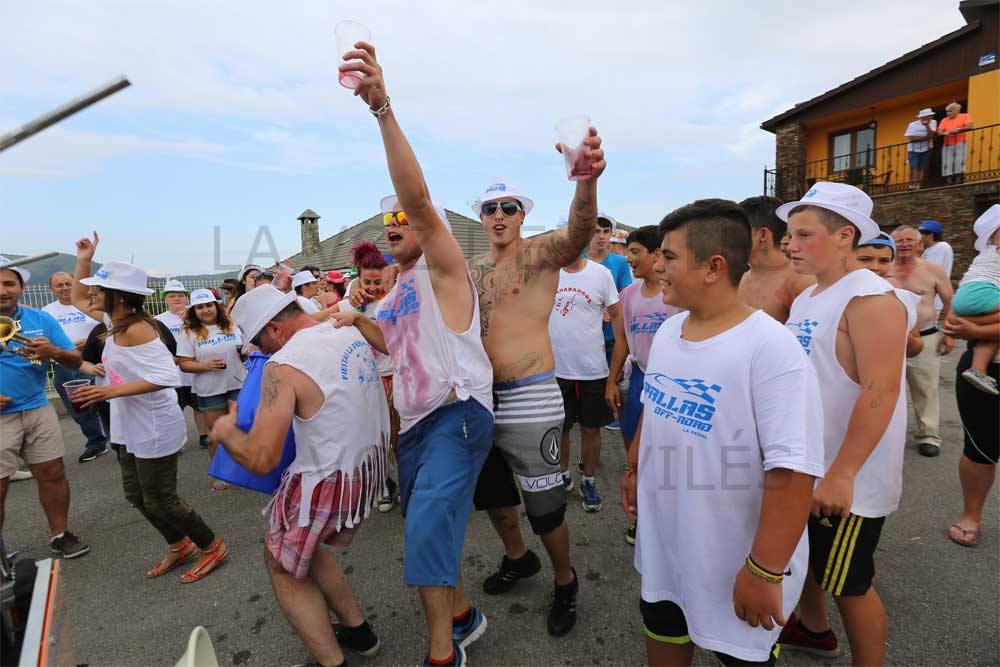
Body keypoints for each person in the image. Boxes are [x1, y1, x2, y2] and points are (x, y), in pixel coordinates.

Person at [333, 41, 494, 666]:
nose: (397, 221)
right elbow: (392, 344)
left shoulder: (442, 268)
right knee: (426, 523)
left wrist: (382, 109)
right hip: (418, 421)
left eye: (404, 217)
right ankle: (462, 613)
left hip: (459, 412)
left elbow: (422, 202)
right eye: (388, 220)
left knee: (427, 524)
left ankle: (441, 652)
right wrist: (353, 319)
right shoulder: (392, 293)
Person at [620, 199, 825, 667]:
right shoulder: (671, 333)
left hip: (737, 563)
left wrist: (764, 570)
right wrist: (633, 467)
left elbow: (794, 473)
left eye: (669, 257)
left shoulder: (771, 350)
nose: (657, 266)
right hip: (668, 549)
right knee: (665, 639)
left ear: (713, 267)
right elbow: (654, 407)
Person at [466, 127, 605, 635]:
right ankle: (518, 558)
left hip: (531, 397)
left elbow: (579, 231)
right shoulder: (471, 268)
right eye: (490, 208)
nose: (498, 215)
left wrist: (585, 182)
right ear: (481, 217)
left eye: (508, 207)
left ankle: (565, 581)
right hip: (482, 400)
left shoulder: (542, 254)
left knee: (545, 508)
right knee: (497, 499)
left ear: (522, 214)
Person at [211, 285, 389, 667]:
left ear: (275, 329)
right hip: (365, 468)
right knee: (305, 549)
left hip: (325, 480)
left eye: (260, 340)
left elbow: (261, 457)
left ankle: (331, 662)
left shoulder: (284, 365)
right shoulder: (345, 329)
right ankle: (359, 633)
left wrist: (226, 433)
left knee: (281, 565)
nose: (261, 350)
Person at [776, 182, 908, 666]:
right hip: (810, 461)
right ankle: (813, 629)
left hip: (849, 476)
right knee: (811, 559)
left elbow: (882, 391)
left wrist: (842, 472)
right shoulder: (811, 295)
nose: (789, 244)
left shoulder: (872, 297)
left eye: (803, 234)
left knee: (850, 582)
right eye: (789, 234)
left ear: (843, 235)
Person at [70, 238, 227, 581]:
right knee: (136, 494)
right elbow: (78, 297)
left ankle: (211, 544)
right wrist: (84, 259)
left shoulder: (139, 329)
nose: (93, 294)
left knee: (160, 498)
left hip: (154, 424)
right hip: (130, 421)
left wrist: (110, 391)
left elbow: (168, 375)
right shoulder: (115, 319)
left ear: (120, 296)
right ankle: (178, 545)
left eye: (100, 289)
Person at [0, 260, 90, 558]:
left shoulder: (41, 318)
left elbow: (75, 360)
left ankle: (60, 534)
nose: (2, 291)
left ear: (21, 288)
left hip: (38, 407)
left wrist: (53, 352)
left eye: (9, 284)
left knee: (52, 472)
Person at [607, 225, 683, 543]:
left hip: (674, 383)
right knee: (634, 451)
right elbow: (622, 340)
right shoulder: (627, 295)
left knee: (669, 453)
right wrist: (612, 381)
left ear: (656, 254)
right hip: (639, 378)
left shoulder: (676, 294)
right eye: (628, 251)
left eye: (635, 251)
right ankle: (640, 514)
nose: (628, 258)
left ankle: (670, 515)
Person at [549, 254, 624, 512]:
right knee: (561, 428)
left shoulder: (600, 273)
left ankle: (589, 480)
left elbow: (617, 317)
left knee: (592, 430)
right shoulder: (549, 271)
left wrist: (618, 367)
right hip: (556, 369)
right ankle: (562, 476)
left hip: (592, 370)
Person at [942, 228, 1000, 546]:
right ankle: (971, 516)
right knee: (979, 448)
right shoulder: (985, 265)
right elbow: (954, 318)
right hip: (988, 369)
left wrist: (976, 328)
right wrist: (970, 327)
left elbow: (966, 324)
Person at [341, 240, 398, 512]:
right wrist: (353, 293)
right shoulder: (353, 303)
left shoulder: (396, 299)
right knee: (375, 440)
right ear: (358, 279)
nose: (373, 288)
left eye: (378, 282)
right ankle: (385, 486)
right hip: (366, 383)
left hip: (395, 379)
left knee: (398, 438)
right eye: (367, 282)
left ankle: (409, 485)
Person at [889, 225, 955, 457]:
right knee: (885, 388)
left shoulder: (933, 270)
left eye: (909, 240)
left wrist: (948, 332)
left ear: (920, 245)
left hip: (926, 336)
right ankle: (885, 435)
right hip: (888, 339)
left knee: (926, 388)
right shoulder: (883, 270)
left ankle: (928, 434)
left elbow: (950, 302)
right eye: (899, 240)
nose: (904, 244)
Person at [176, 288, 244, 489]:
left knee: (240, 427)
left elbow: (244, 347)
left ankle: (242, 466)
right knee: (216, 434)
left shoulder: (231, 324)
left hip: (238, 383)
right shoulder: (188, 332)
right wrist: (205, 366)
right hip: (209, 389)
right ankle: (221, 473)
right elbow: (184, 363)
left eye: (208, 305)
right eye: (199, 307)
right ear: (194, 311)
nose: (205, 310)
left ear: (216, 306)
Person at [42, 271, 109, 461]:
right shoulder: (47, 311)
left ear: (75, 284)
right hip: (65, 366)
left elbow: (110, 326)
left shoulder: (91, 305)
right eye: (59, 285)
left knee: (108, 404)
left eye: (68, 283)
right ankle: (96, 443)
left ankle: (120, 441)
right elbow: (43, 339)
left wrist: (89, 341)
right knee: (80, 410)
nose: (64, 288)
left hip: (97, 363)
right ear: (51, 289)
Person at [585, 213, 632, 431]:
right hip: (584, 336)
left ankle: (614, 414)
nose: (602, 236)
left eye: (606, 232)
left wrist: (612, 310)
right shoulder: (577, 259)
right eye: (596, 231)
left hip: (610, 334)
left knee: (614, 377)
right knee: (588, 380)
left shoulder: (620, 262)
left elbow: (626, 294)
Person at [738, 196, 815, 323]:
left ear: (762, 235)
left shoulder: (801, 282)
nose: (730, 238)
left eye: (737, 231)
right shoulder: (736, 280)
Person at [154, 279, 211, 449]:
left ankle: (204, 435)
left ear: (186, 298)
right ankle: (176, 442)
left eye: (180, 295)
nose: (177, 299)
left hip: (194, 371)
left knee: (199, 407)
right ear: (165, 299)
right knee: (173, 410)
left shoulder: (197, 317)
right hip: (172, 372)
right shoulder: (157, 320)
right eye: (172, 296)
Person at [950, 205, 1000, 395]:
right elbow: (953, 323)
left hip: (966, 296)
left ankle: (978, 370)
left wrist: (976, 329)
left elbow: (955, 321)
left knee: (988, 338)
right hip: (982, 293)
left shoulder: (983, 256)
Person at [853, 234, 924, 358]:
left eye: (884, 261)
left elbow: (916, 348)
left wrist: (902, 336)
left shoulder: (899, 298)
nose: (875, 267)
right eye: (865, 259)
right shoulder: (829, 295)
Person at [937, 102, 974, 184]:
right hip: (947, 144)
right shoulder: (944, 120)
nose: (948, 113)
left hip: (961, 142)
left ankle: (958, 179)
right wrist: (944, 133)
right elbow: (939, 132)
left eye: (950, 111)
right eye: (947, 112)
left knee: (959, 160)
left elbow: (970, 126)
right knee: (947, 162)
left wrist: (958, 130)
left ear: (957, 110)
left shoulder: (965, 116)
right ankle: (949, 180)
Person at [904, 108, 937, 188]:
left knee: (922, 167)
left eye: (928, 116)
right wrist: (925, 138)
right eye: (923, 117)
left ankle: (918, 185)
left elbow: (931, 134)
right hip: (913, 149)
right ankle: (912, 185)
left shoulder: (933, 122)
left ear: (930, 116)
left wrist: (927, 126)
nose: (926, 118)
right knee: (914, 167)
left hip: (927, 149)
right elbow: (911, 137)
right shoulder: (913, 124)